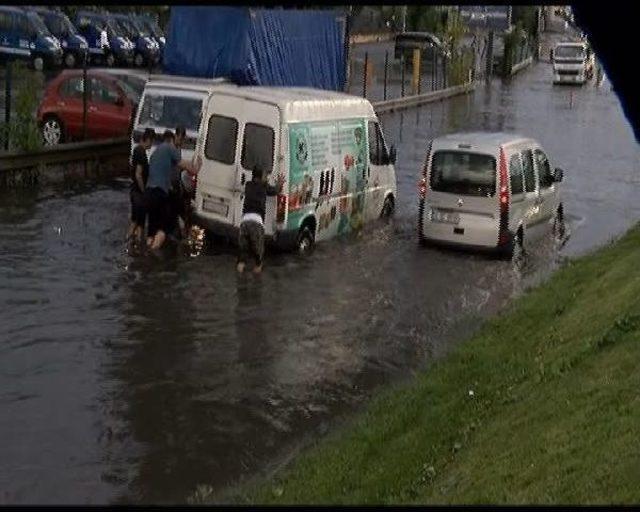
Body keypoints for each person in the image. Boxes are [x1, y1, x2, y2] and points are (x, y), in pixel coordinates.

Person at [145, 129, 201, 250]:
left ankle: (146, 253)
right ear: (172, 139)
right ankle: (152, 255)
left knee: (151, 229)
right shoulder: (171, 149)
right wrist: (197, 167)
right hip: (160, 193)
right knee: (165, 228)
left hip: (148, 193)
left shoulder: (155, 153)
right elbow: (187, 167)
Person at [237, 167, 285, 274]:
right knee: (258, 258)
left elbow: (258, 185)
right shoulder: (264, 187)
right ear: (261, 177)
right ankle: (256, 283)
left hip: (244, 222)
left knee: (242, 256)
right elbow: (276, 190)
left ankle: (240, 277)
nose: (266, 177)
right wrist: (280, 183)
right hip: (256, 223)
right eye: (265, 175)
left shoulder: (248, 185)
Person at [127, 128, 155, 242]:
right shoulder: (140, 152)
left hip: (135, 192)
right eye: (152, 142)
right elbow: (138, 174)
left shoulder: (137, 150)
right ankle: (129, 241)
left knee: (139, 222)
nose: (151, 145)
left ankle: (136, 243)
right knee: (136, 222)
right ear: (147, 139)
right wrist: (144, 191)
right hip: (139, 193)